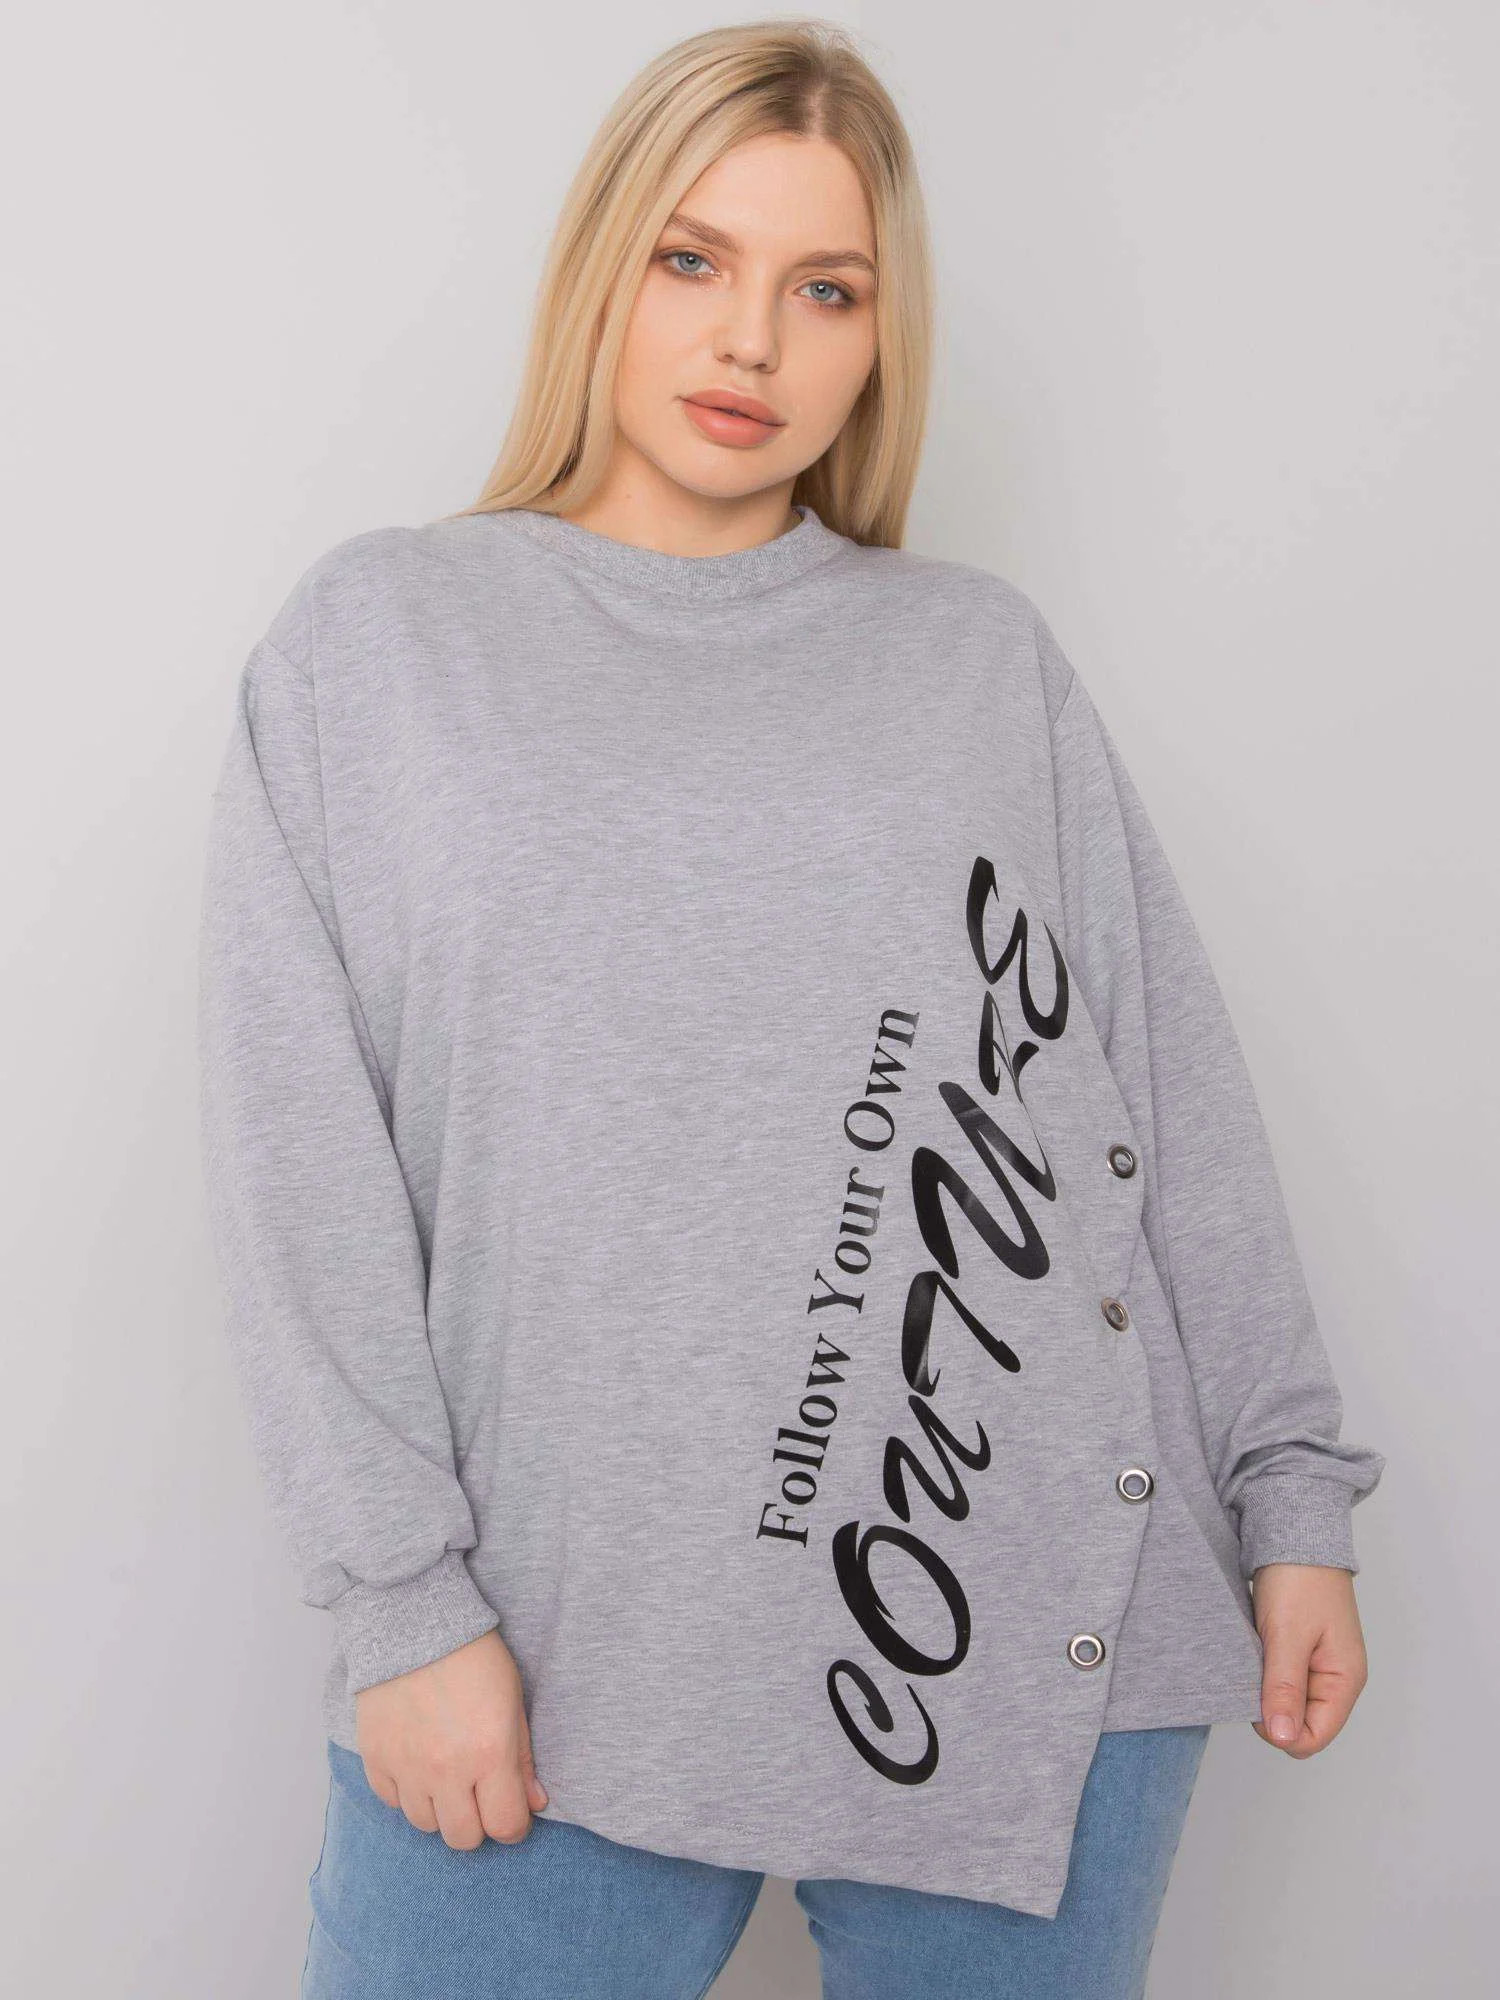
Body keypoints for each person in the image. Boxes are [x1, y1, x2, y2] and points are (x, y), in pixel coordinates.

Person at [195, 20, 1386, 1999]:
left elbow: (1156, 1095)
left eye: (826, 289)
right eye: (695, 259)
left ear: (879, 340)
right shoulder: (380, 645)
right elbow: (295, 1168)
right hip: (543, 1659)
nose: (751, 339)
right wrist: (404, 1605)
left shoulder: (976, 662)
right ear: (602, 268)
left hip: (1013, 1634)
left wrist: (1293, 1496)